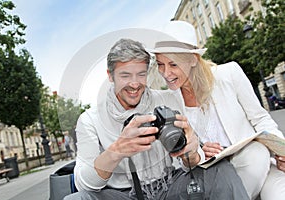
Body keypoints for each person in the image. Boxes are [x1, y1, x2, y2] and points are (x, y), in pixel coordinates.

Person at [64, 38, 249, 200]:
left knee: (220, 170)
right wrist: (116, 151)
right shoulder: (89, 119)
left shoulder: (168, 99)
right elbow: (84, 185)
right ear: (110, 76)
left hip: (170, 185)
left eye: (141, 74)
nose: (135, 84)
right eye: (125, 75)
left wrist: (193, 151)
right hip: (122, 193)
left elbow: (192, 161)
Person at [150, 20, 285, 200]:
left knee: (259, 157)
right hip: (214, 176)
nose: (166, 73)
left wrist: (282, 151)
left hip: (259, 167)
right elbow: (178, 156)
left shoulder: (229, 73)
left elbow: (261, 119)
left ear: (193, 59)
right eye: (160, 64)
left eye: (173, 65)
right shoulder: (169, 101)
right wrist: (199, 152)